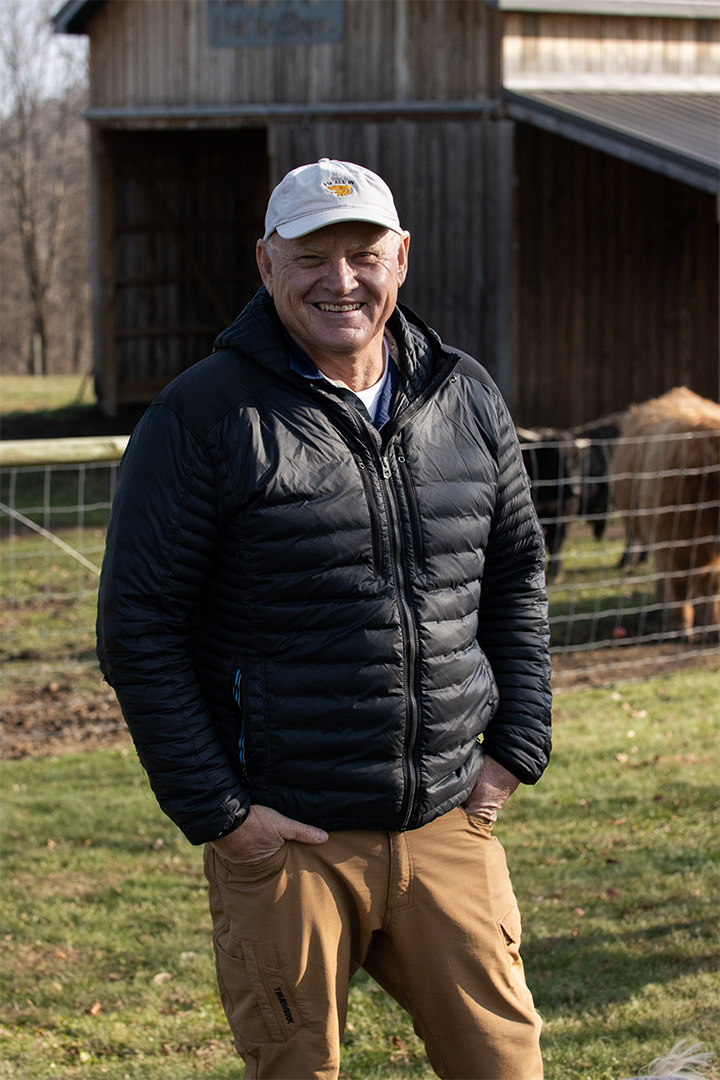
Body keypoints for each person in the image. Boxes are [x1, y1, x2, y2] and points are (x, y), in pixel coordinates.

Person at [97, 158, 552, 1080]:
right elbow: (137, 627)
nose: (339, 279)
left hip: (448, 824)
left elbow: (515, 575)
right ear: (266, 264)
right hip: (288, 840)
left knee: (507, 1066)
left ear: (402, 258)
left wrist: (517, 746)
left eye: (362, 253)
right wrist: (224, 816)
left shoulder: (463, 396)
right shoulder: (203, 417)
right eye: (312, 255)